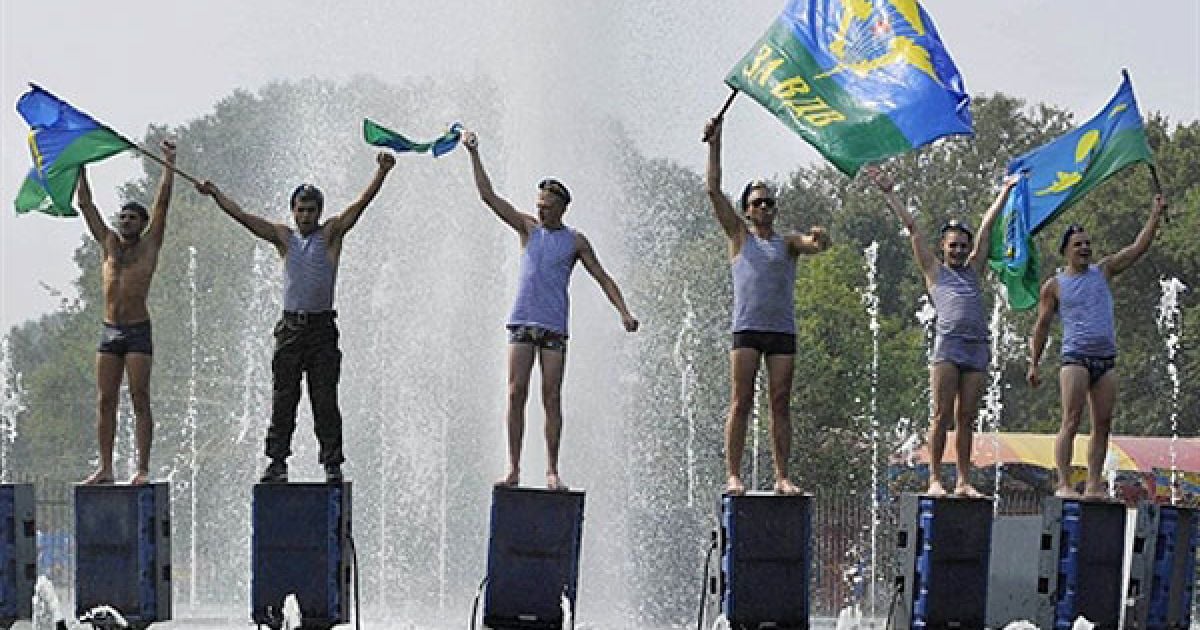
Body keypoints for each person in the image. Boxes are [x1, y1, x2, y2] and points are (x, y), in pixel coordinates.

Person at [195, 151, 396, 483]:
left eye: (311, 210)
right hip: (290, 329)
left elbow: (360, 205)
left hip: (321, 329)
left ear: (319, 212)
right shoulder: (284, 238)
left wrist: (381, 172)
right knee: (284, 397)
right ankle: (277, 461)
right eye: (300, 210)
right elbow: (244, 217)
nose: (305, 215)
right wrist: (215, 194)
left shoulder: (330, 234)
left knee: (324, 398)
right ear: (293, 211)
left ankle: (332, 463)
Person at [461, 129, 638, 491]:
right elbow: (489, 197)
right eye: (538, 205)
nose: (540, 211)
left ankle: (552, 469)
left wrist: (624, 312)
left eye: (546, 207)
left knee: (551, 396)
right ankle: (513, 467)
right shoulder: (528, 228)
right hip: (522, 322)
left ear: (561, 208)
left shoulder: (574, 240)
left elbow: (603, 277)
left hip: (553, 327)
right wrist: (474, 153)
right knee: (515, 392)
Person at [869, 167, 1018, 497]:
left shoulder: (975, 269)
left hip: (977, 347)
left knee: (967, 417)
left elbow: (987, 227)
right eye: (954, 246)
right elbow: (912, 229)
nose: (960, 251)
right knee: (940, 415)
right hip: (949, 347)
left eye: (964, 246)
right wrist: (890, 193)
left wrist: (1005, 191)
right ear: (943, 247)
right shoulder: (934, 270)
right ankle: (935, 478)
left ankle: (963, 480)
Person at [704, 118, 830, 496]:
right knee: (740, 401)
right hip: (747, 329)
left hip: (781, 332)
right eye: (757, 202)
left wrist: (823, 238)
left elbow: (815, 244)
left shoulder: (787, 242)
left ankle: (782, 476)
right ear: (747, 209)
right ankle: (734, 474)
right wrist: (715, 144)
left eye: (769, 202)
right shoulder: (739, 236)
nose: (764, 207)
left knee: (780, 403)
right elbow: (712, 191)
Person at [1027, 194, 1166, 498]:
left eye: (1088, 243)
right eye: (1078, 244)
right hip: (1075, 358)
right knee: (1071, 419)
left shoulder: (1103, 271)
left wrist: (1155, 215)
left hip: (1105, 360)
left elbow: (1136, 250)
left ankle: (1092, 483)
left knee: (1103, 423)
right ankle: (1063, 482)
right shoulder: (1055, 285)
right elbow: (1042, 327)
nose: (1085, 248)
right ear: (1065, 251)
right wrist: (1034, 363)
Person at [76, 139, 177, 485]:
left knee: (139, 397)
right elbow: (85, 204)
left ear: (143, 223)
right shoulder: (108, 243)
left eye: (133, 218)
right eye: (123, 216)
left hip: (136, 331)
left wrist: (169, 162)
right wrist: (79, 166)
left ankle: (143, 468)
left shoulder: (150, 245)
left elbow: (163, 201)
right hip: (109, 330)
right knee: (105, 400)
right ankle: (106, 467)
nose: (126, 221)